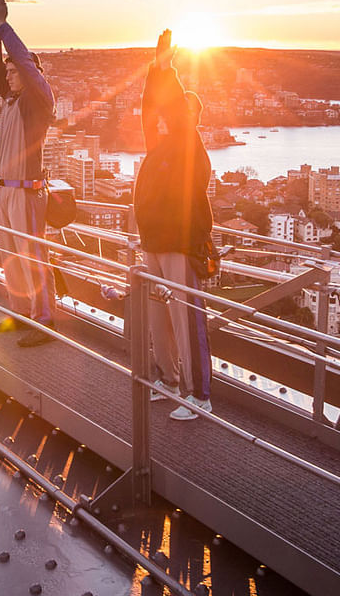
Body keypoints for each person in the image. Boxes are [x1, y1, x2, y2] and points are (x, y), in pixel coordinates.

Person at [134, 29, 214, 421]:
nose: (162, 119)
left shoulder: (189, 146)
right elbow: (152, 107)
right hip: (153, 243)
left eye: (175, 113)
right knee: (158, 321)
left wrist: (168, 75)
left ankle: (199, 396)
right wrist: (158, 69)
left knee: (185, 320)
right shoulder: (160, 144)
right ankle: (168, 382)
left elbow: (170, 109)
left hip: (179, 245)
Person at [0, 0, 56, 347]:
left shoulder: (37, 102)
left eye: (16, 71)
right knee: (12, 258)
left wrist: (6, 30)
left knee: (33, 256)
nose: (8, 75)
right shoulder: (12, 99)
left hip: (27, 191)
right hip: (5, 191)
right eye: (8, 71)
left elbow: (25, 65)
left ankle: (45, 320)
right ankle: (21, 313)